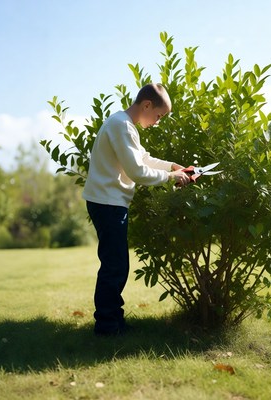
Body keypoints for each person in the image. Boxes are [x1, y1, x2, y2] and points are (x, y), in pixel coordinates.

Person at [82, 83, 190, 336]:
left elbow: (143, 159)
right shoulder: (121, 125)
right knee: (114, 266)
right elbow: (137, 172)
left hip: (109, 202)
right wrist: (171, 178)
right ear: (147, 105)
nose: (157, 122)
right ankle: (107, 326)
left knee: (116, 264)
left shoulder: (124, 125)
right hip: (107, 203)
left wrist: (172, 166)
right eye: (159, 116)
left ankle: (113, 321)